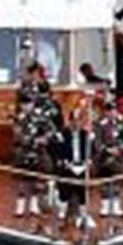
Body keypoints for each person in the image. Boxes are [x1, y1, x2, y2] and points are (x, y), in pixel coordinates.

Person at [12, 64, 59, 220]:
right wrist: (29, 139)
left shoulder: (45, 89)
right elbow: (18, 132)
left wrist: (44, 137)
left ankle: (34, 206)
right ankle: (19, 207)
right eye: (33, 73)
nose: (35, 76)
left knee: (39, 174)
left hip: (39, 145)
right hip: (25, 147)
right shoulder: (20, 115)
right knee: (22, 178)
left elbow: (51, 123)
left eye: (37, 73)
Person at [94, 93, 123, 220]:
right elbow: (96, 142)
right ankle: (104, 206)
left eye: (113, 111)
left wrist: (121, 147)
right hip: (104, 157)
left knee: (117, 181)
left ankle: (116, 206)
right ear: (105, 112)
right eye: (109, 111)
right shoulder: (99, 124)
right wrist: (107, 150)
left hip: (118, 155)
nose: (111, 113)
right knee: (105, 181)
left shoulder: (121, 124)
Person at [53, 97, 95, 235]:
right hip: (67, 167)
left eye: (78, 121)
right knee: (65, 189)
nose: (76, 124)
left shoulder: (86, 135)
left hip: (81, 166)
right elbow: (59, 151)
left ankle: (84, 216)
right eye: (73, 121)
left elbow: (91, 151)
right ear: (69, 121)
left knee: (83, 190)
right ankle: (61, 215)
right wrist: (67, 163)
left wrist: (87, 162)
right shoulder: (62, 135)